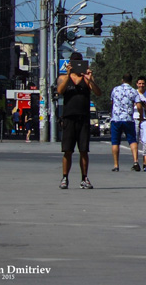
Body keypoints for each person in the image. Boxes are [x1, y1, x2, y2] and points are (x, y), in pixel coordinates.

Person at [57, 51, 101, 189]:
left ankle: (84, 178)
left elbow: (98, 92)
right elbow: (60, 91)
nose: (77, 65)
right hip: (69, 118)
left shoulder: (86, 79)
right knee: (67, 150)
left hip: (83, 118)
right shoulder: (63, 77)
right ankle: (65, 178)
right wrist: (68, 74)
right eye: (74, 62)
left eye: (79, 62)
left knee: (83, 150)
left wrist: (90, 78)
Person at [109, 74, 141, 172]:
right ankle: (135, 161)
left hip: (116, 119)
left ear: (122, 80)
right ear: (131, 81)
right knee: (132, 140)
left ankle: (116, 165)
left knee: (115, 142)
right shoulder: (134, 91)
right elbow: (139, 106)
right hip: (128, 119)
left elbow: (112, 102)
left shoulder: (115, 89)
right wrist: (141, 115)